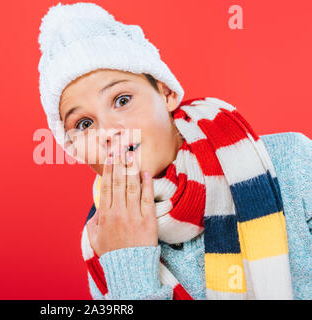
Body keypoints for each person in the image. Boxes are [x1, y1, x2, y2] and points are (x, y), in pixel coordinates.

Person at [37, 2, 312, 300]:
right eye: (85, 123)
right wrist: (127, 263)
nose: (107, 132)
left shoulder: (290, 163)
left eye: (122, 100)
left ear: (167, 93)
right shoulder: (103, 239)